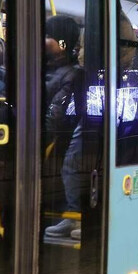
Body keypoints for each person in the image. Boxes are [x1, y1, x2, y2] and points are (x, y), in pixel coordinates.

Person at [43, 15, 84, 238]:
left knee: (70, 166)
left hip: (60, 137)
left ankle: (74, 214)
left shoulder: (73, 74)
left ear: (63, 44)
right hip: (51, 135)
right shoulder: (43, 68)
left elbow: (55, 114)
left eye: (48, 36)